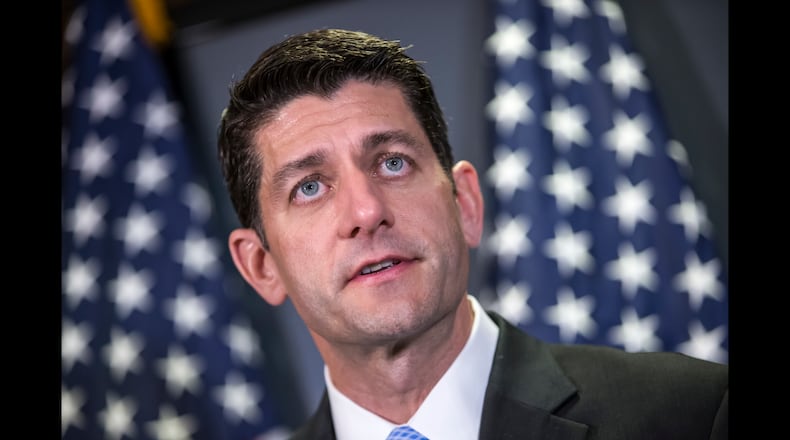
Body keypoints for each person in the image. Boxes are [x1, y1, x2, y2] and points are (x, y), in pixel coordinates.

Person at [216, 28, 728, 440]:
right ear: (261, 265)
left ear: (465, 203)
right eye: (310, 187)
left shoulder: (691, 414)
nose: (367, 211)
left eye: (392, 162)